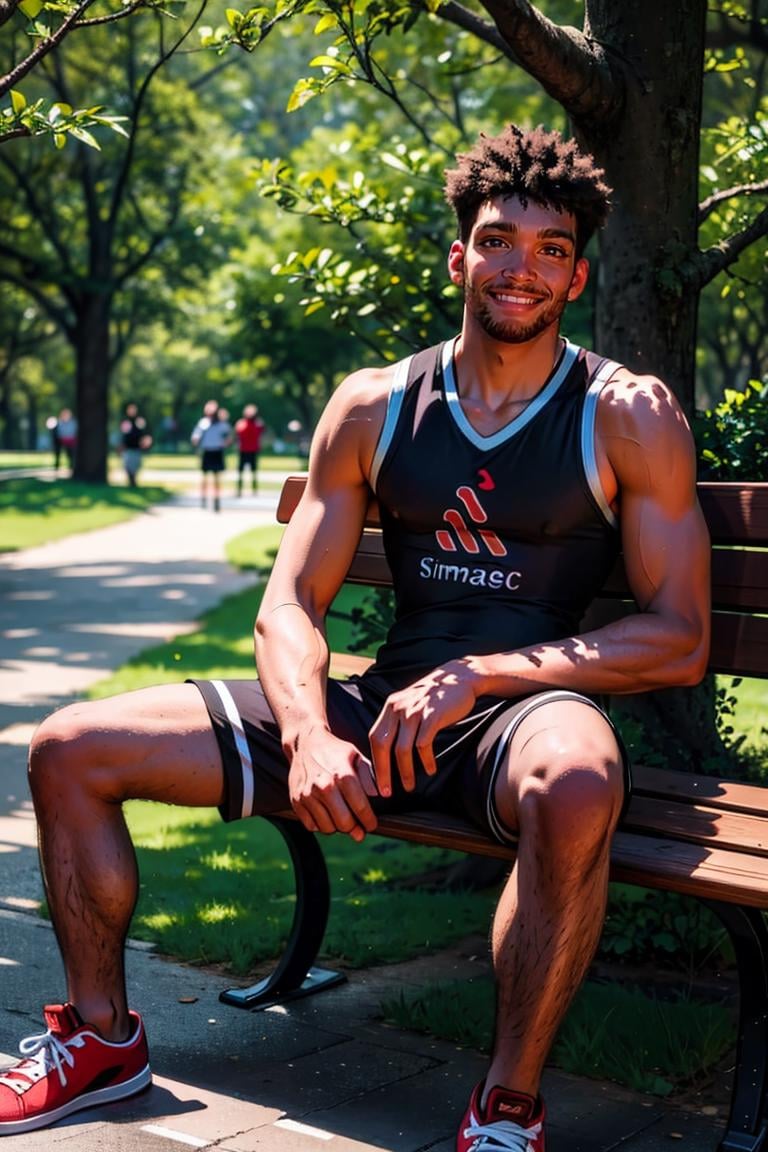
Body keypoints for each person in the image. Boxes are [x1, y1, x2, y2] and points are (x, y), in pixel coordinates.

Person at [0, 124, 710, 1146]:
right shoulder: (375, 404)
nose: (521, 267)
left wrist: (481, 675)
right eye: (499, 240)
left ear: (578, 275)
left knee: (582, 781)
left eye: (550, 250)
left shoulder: (625, 414)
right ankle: (102, 1042)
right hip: (377, 707)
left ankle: (504, 1107)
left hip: (522, 712)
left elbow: (680, 637)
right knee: (69, 747)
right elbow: (289, 604)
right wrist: (309, 734)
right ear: (459, 254)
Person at [190, 399, 233, 511]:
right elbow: (195, 437)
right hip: (207, 451)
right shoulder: (203, 423)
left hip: (217, 451)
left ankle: (216, 501)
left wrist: (225, 442)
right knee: (204, 477)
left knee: (217, 478)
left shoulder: (222, 424)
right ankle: (203, 499)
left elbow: (229, 437)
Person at [234, 403, 266, 495]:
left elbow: (262, 433)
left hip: (253, 450)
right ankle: (239, 490)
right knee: (241, 471)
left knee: (253, 471)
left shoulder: (258, 424)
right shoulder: (242, 423)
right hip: (243, 450)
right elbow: (237, 435)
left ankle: (254, 490)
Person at [118, 403, 152, 488]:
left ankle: (133, 482)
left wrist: (146, 443)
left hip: (137, 448)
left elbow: (145, 434)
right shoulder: (125, 422)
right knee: (128, 467)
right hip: (128, 449)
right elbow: (123, 436)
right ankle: (131, 481)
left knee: (136, 467)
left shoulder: (139, 422)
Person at [55, 408, 77, 472]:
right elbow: (59, 432)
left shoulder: (73, 423)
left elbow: (73, 432)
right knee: (58, 451)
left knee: (70, 453)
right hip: (62, 440)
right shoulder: (59, 423)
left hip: (70, 440)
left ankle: (71, 465)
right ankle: (57, 465)